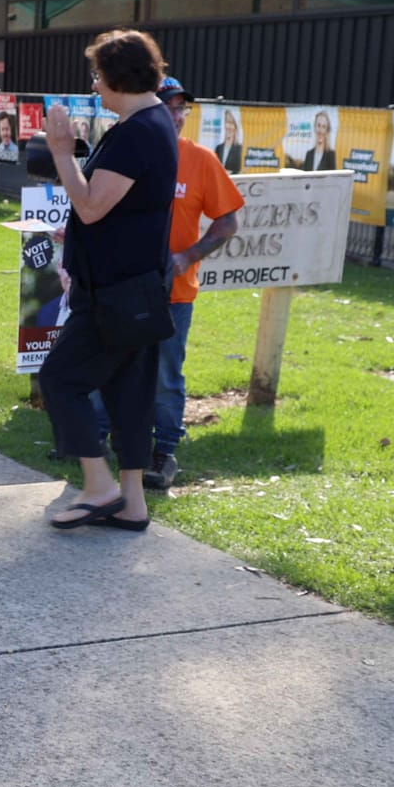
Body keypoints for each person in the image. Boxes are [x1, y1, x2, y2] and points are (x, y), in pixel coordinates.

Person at [38, 29, 181, 532]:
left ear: (119, 77)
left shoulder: (139, 130)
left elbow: (94, 207)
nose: (94, 85)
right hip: (136, 288)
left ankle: (99, 488)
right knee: (128, 393)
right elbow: (112, 208)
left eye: (98, 75)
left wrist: (60, 152)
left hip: (116, 293)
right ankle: (133, 503)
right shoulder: (149, 121)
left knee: (59, 379)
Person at [144, 77, 244, 490]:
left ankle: (164, 450)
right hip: (123, 285)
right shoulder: (129, 152)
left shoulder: (201, 160)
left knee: (166, 373)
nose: (178, 115)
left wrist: (187, 256)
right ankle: (97, 439)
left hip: (174, 291)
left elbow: (228, 221)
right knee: (112, 364)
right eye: (169, 107)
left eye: (182, 108)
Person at [213, 108, 244, 174]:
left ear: (236, 126)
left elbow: (239, 171)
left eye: (231, 123)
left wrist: (230, 173)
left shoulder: (239, 148)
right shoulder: (219, 148)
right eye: (227, 122)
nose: (228, 126)